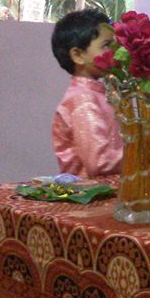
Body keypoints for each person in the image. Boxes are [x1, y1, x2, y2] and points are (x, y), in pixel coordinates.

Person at [50, 9, 123, 178]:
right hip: (90, 196)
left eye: (114, 46)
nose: (114, 52)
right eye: (106, 46)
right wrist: (147, 150)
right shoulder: (82, 99)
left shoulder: (99, 92)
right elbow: (100, 163)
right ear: (78, 55)